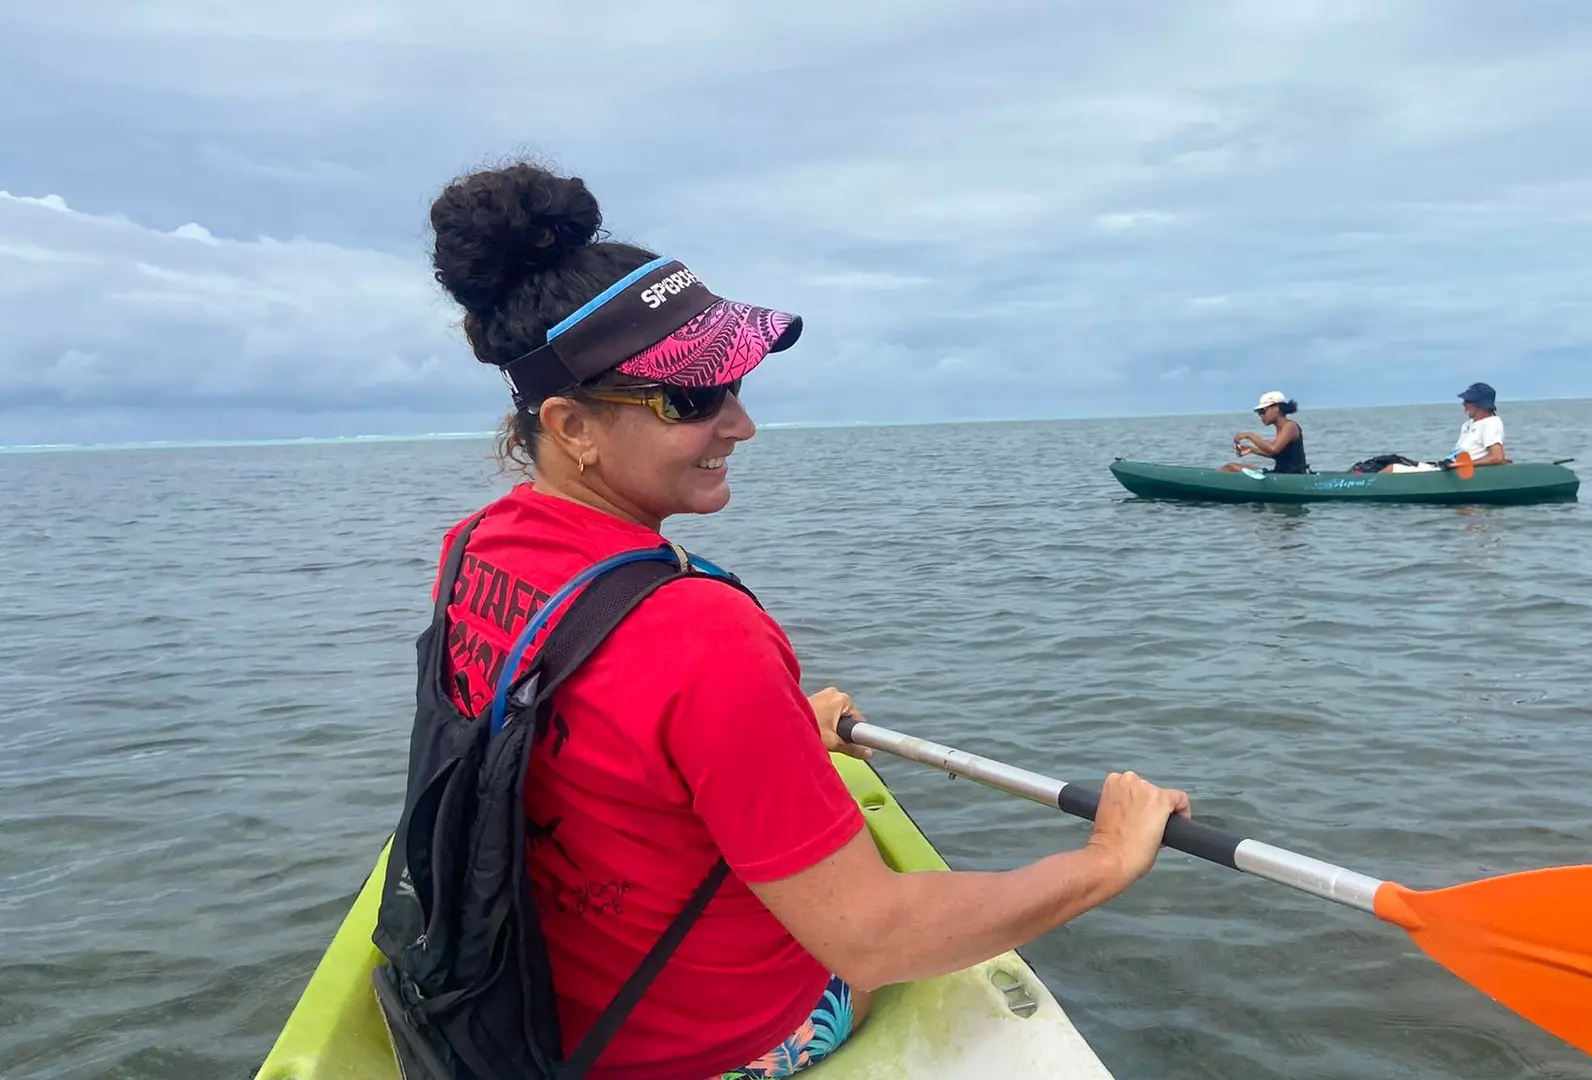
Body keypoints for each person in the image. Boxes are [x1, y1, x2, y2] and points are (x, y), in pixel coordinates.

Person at [418, 161, 1191, 1080]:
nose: (740, 424)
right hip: (698, 1049)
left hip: (527, 1006)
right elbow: (873, 940)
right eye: (692, 400)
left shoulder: (476, 548)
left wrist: (775, 736)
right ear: (570, 425)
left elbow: (591, 739)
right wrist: (1104, 861)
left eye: (737, 387)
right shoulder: (701, 633)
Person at [1382, 382, 1508, 473]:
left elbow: (1497, 457)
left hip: (1454, 471)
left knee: (1391, 469)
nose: (1463, 404)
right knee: (1388, 462)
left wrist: (1460, 465)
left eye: (1468, 401)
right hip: (1445, 467)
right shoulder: (1468, 424)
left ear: (1481, 405)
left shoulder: (1491, 423)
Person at [1222, 390, 1308, 474]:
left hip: (1290, 477)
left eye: (1263, 411)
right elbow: (1278, 455)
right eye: (1259, 413)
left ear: (1276, 408)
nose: (1261, 416)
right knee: (1230, 468)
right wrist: (1252, 450)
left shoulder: (1290, 426)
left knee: (1230, 467)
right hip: (1280, 474)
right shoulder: (1281, 428)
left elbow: (1273, 449)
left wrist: (1250, 435)